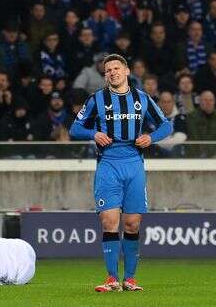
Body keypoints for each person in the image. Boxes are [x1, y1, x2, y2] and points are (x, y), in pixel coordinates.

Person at [69, 54, 172, 292]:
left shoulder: (142, 98)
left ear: (126, 71)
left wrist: (151, 137)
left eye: (116, 68)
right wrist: (93, 134)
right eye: (108, 70)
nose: (112, 73)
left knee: (133, 224)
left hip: (134, 163)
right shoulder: (97, 99)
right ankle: (112, 278)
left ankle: (131, 278)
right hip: (108, 164)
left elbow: (166, 125)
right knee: (109, 221)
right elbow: (75, 127)